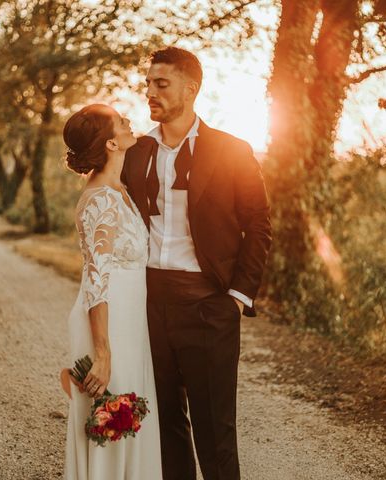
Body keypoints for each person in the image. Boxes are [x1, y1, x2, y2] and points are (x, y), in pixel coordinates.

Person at [122, 47, 272, 480]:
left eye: (161, 84)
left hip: (209, 306)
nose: (150, 92)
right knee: (164, 425)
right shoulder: (135, 152)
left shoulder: (232, 150)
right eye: (148, 83)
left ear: (191, 88)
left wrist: (237, 298)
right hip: (149, 304)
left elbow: (258, 224)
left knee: (215, 432)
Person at [60, 104, 162, 480]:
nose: (128, 121)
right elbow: (96, 279)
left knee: (128, 427)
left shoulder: (118, 191)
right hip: (110, 325)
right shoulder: (100, 199)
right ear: (111, 144)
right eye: (121, 121)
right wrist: (102, 353)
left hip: (130, 324)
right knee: (113, 426)